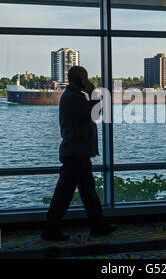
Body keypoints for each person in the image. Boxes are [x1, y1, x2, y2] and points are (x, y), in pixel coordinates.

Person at [41, 66, 116, 241]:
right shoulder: (73, 98)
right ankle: (50, 229)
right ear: (78, 79)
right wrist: (94, 93)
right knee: (65, 194)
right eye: (85, 78)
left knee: (87, 192)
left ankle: (97, 225)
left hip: (78, 152)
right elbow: (96, 113)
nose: (88, 81)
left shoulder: (74, 97)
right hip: (76, 153)